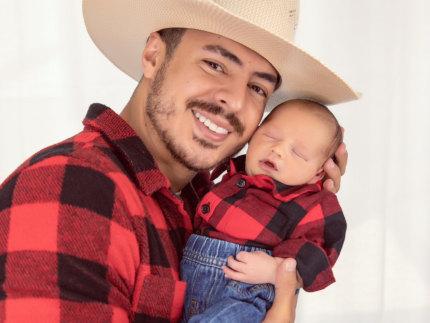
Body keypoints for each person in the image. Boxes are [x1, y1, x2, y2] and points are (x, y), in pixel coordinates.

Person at [0, 0, 359, 321]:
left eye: (257, 88)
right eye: (215, 65)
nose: (234, 101)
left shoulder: (203, 197)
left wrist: (295, 201)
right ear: (154, 56)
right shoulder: (71, 190)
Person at [180, 99, 346, 322]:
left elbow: (319, 255)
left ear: (319, 173)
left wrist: (275, 269)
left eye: (297, 153)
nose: (277, 149)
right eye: (271, 136)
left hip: (245, 295)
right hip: (188, 288)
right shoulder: (231, 174)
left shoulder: (311, 203)